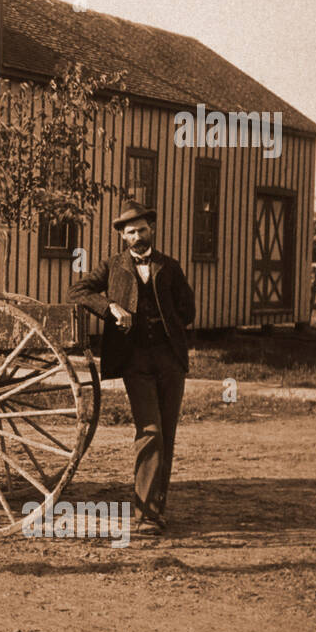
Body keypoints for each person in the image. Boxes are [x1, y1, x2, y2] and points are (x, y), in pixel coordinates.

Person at [69, 200, 196, 535]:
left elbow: (187, 309)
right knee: (150, 431)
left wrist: (170, 329)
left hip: (170, 360)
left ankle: (156, 511)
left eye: (142, 229)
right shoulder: (112, 266)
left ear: (150, 229)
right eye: (130, 231)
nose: (137, 236)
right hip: (135, 360)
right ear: (122, 236)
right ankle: (145, 515)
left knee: (166, 435)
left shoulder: (170, 266)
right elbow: (77, 291)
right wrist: (110, 307)